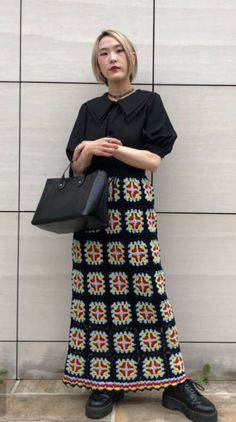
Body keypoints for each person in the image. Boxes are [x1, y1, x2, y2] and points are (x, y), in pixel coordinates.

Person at [62, 29, 217, 422]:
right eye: (103, 54)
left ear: (130, 57)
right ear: (97, 65)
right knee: (97, 298)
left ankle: (174, 384)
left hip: (134, 209)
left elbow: (153, 160)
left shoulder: (150, 103)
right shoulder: (88, 110)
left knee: (148, 293)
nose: (111, 58)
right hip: (93, 209)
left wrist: (105, 147)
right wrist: (87, 152)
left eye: (118, 51)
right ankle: (103, 380)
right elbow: (75, 165)